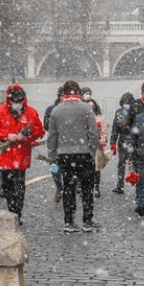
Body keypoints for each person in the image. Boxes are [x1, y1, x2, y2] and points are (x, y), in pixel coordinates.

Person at [0, 84, 45, 228]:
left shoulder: (31, 113)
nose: (17, 104)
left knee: (19, 188)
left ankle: (16, 213)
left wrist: (27, 138)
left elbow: (39, 131)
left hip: (21, 156)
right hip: (5, 157)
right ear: (9, 100)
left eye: (19, 101)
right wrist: (7, 136)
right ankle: (13, 211)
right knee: (7, 187)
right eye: (14, 101)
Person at [47, 80, 102, 233]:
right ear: (78, 92)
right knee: (86, 188)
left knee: (69, 188)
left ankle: (69, 221)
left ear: (64, 94)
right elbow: (93, 132)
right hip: (83, 153)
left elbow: (52, 136)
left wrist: (52, 156)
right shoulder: (86, 108)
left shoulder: (56, 110)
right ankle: (87, 220)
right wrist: (91, 150)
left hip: (64, 155)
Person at [81, 86, 106, 197]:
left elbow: (103, 130)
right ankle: (84, 188)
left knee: (96, 168)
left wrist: (103, 139)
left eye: (88, 93)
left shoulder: (99, 118)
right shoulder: (79, 111)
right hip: (84, 145)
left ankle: (96, 188)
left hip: (96, 145)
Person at [109, 92, 136, 194]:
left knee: (133, 165)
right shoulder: (119, 112)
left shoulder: (135, 113)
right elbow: (115, 128)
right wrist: (113, 142)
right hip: (122, 142)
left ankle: (138, 186)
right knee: (121, 164)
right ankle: (120, 185)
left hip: (133, 142)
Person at [43, 89, 65, 202]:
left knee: (68, 169)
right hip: (54, 145)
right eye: (62, 96)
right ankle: (59, 187)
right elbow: (46, 126)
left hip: (68, 144)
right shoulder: (50, 109)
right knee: (54, 169)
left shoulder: (72, 110)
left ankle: (68, 189)